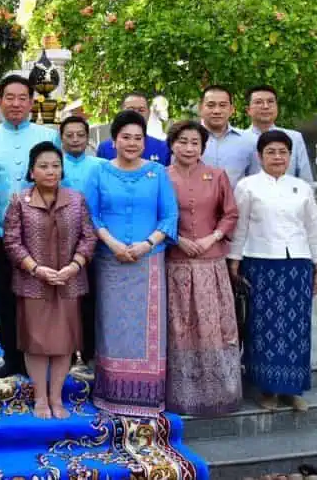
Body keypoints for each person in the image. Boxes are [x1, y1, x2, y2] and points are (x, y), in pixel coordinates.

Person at [83, 110, 179, 416]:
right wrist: (111, 243)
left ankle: (146, 394)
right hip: (109, 261)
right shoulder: (99, 172)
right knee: (112, 328)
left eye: (138, 138)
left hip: (148, 261)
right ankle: (111, 392)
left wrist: (146, 244)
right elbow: (91, 213)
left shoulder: (157, 172)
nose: (132, 143)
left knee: (147, 330)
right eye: (126, 137)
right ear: (114, 140)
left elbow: (169, 216)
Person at [228, 130, 317, 413]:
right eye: (271, 151)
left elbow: (312, 226)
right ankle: (266, 389)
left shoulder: (301, 187)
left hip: (297, 265)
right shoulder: (247, 186)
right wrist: (234, 261)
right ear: (260, 156)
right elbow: (241, 226)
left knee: (297, 328)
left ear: (290, 156)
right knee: (262, 327)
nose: (277, 157)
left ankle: (292, 390)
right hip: (260, 263)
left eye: (283, 152)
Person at [0, 74, 58, 379]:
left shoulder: (48, 135)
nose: (16, 103)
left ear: (32, 102)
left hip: (41, 231)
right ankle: (11, 356)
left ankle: (39, 353)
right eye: (10, 97)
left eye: (23, 97)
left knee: (38, 297)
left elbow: (59, 183)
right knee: (7, 296)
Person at [3, 142, 96, 420]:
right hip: (33, 283)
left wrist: (74, 266)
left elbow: (88, 237)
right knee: (37, 342)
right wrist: (36, 269)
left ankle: (57, 396)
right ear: (32, 171)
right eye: (43, 166)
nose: (50, 171)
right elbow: (11, 241)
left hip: (69, 282)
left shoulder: (77, 199)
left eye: (56, 165)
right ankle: (40, 397)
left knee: (64, 342)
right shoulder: (20, 201)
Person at [164, 121, 242, 416]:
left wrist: (212, 237)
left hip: (211, 264)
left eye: (194, 142)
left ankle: (219, 393)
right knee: (180, 329)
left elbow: (230, 213)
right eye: (182, 141)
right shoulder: (161, 177)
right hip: (176, 263)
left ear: (202, 147)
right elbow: (157, 214)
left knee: (214, 329)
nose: (188, 148)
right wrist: (179, 239)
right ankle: (182, 395)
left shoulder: (217, 175)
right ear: (172, 144)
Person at [59, 115, 104, 368]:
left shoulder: (101, 165)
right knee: (64, 300)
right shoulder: (54, 164)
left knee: (91, 298)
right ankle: (63, 351)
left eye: (80, 135)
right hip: (61, 241)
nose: (75, 139)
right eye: (69, 135)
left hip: (96, 240)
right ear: (61, 138)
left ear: (87, 138)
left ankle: (89, 353)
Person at [243, 85, 314, 181]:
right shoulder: (239, 139)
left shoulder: (294, 138)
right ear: (248, 110)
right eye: (259, 102)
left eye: (270, 102)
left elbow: (306, 179)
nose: (266, 106)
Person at [199, 85, 256, 189]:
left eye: (222, 105)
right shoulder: (186, 141)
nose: (217, 111)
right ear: (201, 108)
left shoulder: (249, 141)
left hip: (236, 204)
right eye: (211, 105)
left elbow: (255, 180)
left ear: (231, 109)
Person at [96, 93, 171, 165]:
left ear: (148, 114)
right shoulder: (104, 148)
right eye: (131, 109)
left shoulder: (163, 147)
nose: (136, 114)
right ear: (121, 111)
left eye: (141, 110)